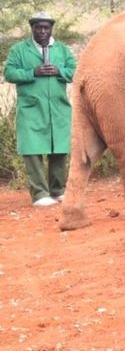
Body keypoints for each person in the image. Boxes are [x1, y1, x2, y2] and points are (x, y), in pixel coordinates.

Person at [3, 11, 77, 207]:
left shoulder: (61, 50)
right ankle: (40, 194)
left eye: (46, 27)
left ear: (51, 28)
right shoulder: (19, 50)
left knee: (59, 149)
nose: (43, 31)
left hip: (58, 108)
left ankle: (58, 190)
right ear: (32, 28)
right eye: (39, 27)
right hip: (32, 109)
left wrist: (59, 71)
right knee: (32, 151)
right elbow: (9, 72)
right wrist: (32, 72)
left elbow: (75, 71)